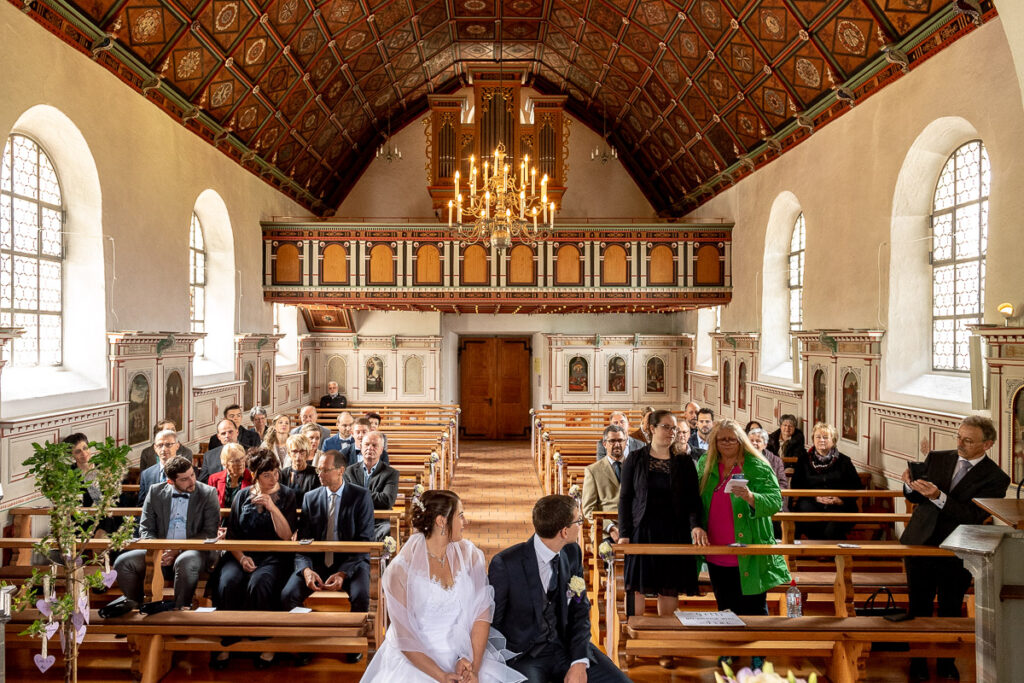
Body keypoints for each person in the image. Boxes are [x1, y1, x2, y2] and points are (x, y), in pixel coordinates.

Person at [361, 490, 524, 682]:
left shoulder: (470, 555)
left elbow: (481, 614)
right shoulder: (399, 571)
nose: (466, 522)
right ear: (441, 521)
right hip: (417, 661)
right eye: (460, 516)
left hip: (465, 654)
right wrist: (442, 676)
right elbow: (404, 636)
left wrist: (473, 667)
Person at [901, 416, 1010, 683]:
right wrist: (909, 485)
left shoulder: (996, 478)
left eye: (968, 440)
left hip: (958, 546)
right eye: (959, 437)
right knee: (919, 605)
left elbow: (973, 515)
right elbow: (915, 497)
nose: (960, 444)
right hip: (921, 541)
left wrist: (938, 496)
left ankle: (946, 662)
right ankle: (917, 661)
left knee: (951, 607)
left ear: (987, 444)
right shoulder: (938, 458)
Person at [489, 494, 629, 683]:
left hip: (566, 648)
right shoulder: (506, 564)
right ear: (564, 531)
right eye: (578, 521)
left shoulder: (572, 553)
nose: (581, 524)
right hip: (525, 657)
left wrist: (579, 660)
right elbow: (493, 623)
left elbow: (580, 609)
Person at [281, 449, 373, 664]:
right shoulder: (311, 497)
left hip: (351, 561)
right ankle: (305, 641)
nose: (319, 474)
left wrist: (343, 573)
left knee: (361, 596)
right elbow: (304, 540)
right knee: (288, 595)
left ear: (341, 471)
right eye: (318, 469)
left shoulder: (360, 496)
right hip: (317, 562)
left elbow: (365, 541)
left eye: (324, 470)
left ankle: (353, 643)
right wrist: (306, 569)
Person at [211, 447, 298, 669]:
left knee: (260, 583)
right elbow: (232, 536)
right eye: (267, 474)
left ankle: (263, 640)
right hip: (242, 554)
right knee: (227, 582)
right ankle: (229, 638)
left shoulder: (287, 495)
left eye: (276, 472)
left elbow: (287, 536)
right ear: (255, 475)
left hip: (275, 556)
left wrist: (271, 507)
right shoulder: (242, 495)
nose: (273, 478)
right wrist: (240, 558)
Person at [693, 419, 789, 617]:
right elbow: (694, 499)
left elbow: (775, 501)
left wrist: (750, 497)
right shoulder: (706, 463)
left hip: (750, 548)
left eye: (732, 439)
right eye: (722, 439)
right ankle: (730, 647)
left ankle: (757, 646)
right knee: (725, 608)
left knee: (754, 608)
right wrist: (696, 525)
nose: (727, 443)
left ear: (741, 440)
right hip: (716, 549)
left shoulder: (757, 465)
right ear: (715, 442)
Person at [618, 409, 701, 618]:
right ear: (652, 428)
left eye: (674, 428)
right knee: (637, 584)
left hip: (675, 531)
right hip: (642, 529)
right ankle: (633, 637)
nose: (671, 432)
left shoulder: (683, 462)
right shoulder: (635, 459)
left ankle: (666, 640)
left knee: (669, 585)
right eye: (666, 427)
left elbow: (693, 500)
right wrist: (624, 533)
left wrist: (696, 525)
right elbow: (625, 498)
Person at [114, 455, 220, 609]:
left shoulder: (208, 493)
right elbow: (146, 528)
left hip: (194, 550)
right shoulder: (155, 491)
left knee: (185, 561)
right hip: (159, 549)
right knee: (123, 562)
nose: (192, 481)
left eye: (192, 475)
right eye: (184, 479)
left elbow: (209, 532)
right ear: (170, 481)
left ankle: (180, 610)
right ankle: (138, 609)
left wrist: (177, 550)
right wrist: (159, 550)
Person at [789, 422, 863, 540]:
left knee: (835, 523)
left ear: (833, 441)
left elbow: (857, 486)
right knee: (807, 515)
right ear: (813, 439)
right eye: (818, 437)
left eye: (825, 437)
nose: (821, 440)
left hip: (839, 504)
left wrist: (840, 500)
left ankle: (826, 552)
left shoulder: (844, 461)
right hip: (811, 501)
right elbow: (796, 484)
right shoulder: (803, 460)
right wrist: (815, 497)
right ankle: (829, 552)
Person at [343, 432, 399, 541]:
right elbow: (346, 498)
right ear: (361, 447)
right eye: (367, 444)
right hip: (354, 520)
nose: (370, 448)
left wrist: (358, 494)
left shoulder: (391, 473)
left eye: (374, 445)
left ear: (381, 450)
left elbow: (387, 501)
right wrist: (372, 496)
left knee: (389, 530)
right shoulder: (349, 471)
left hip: (379, 522)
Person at [65, 433, 120, 536]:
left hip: (107, 516)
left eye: (85, 448)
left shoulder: (103, 467)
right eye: (78, 451)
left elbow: (114, 495)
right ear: (71, 455)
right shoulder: (70, 473)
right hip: (83, 519)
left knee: (102, 533)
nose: (84, 453)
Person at [582, 426, 626, 541]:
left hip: (632, 528)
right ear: (604, 444)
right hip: (604, 530)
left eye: (620, 440)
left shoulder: (635, 467)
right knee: (609, 554)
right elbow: (589, 509)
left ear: (625, 442)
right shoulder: (593, 470)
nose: (617, 444)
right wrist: (611, 528)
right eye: (612, 441)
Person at [139, 429, 184, 506]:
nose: (163, 449)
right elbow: (142, 504)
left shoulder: (188, 471)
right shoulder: (147, 474)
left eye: (168, 445)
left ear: (177, 445)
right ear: (155, 448)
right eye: (160, 445)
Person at [747, 427, 789, 508]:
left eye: (758, 441)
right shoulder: (739, 458)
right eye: (751, 441)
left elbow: (782, 483)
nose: (754, 443)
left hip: (770, 498)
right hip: (747, 499)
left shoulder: (776, 461)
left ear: (765, 445)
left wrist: (771, 496)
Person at [205, 442, 252, 507]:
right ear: (225, 463)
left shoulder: (252, 477)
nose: (241, 463)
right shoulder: (214, 479)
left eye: (242, 458)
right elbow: (210, 505)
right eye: (235, 461)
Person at [198, 419, 239, 484]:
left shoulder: (249, 452)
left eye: (230, 432)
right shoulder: (209, 456)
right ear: (218, 437)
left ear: (237, 432)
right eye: (223, 433)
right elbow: (202, 481)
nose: (227, 436)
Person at [281, 434, 320, 499]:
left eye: (302, 451)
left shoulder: (316, 474)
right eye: (294, 451)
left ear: (307, 453)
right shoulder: (282, 474)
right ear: (289, 453)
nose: (298, 456)